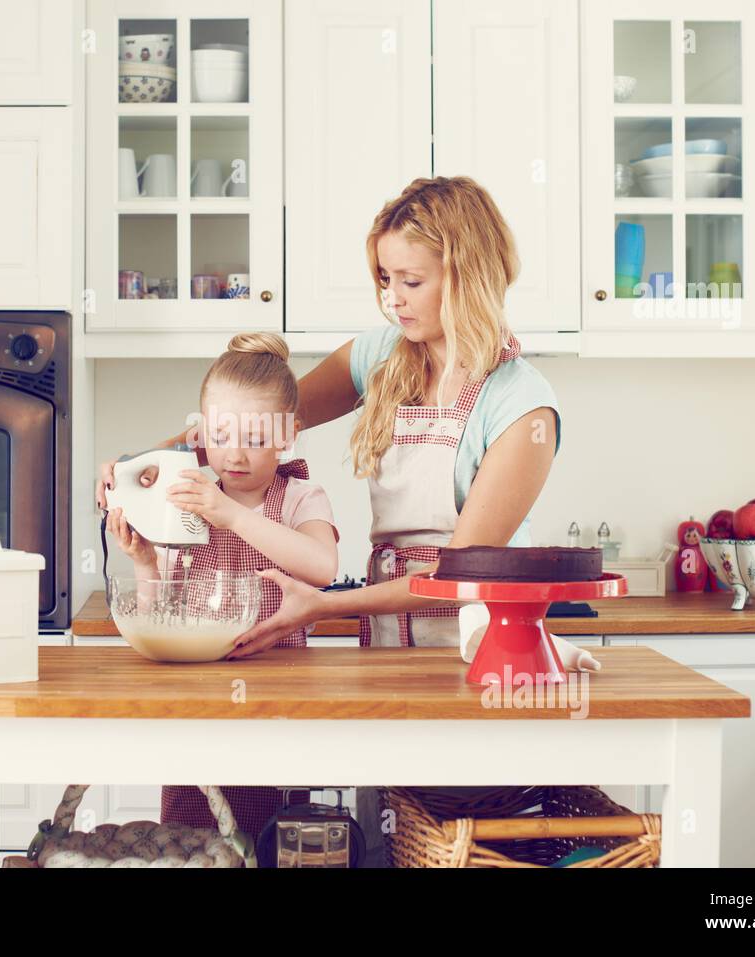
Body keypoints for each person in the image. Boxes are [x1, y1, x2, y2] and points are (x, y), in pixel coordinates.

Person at [98, 176, 590, 864]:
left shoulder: (522, 406)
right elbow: (258, 421)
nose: (392, 297)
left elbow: (459, 575)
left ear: (468, 272)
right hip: (388, 640)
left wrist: (321, 603)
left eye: (411, 280)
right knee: (398, 833)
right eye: (385, 277)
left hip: (476, 645)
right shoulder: (382, 354)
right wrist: (146, 463)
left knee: (461, 833)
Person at [107, 331, 338, 843]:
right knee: (190, 841)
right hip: (198, 705)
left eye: (256, 438)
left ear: (288, 434)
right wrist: (145, 562)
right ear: (200, 432)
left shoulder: (301, 496)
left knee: (273, 841)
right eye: (221, 434)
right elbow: (160, 612)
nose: (235, 454)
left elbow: (321, 567)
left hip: (281, 705)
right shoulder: (186, 499)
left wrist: (229, 513)